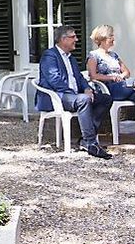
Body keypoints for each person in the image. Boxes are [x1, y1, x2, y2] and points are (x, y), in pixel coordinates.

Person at [37, 25, 114, 159]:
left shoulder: (71, 58)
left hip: (74, 96)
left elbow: (79, 77)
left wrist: (87, 89)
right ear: (63, 39)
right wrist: (77, 94)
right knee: (83, 100)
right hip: (57, 96)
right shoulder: (50, 55)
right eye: (73, 37)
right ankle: (91, 143)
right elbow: (54, 80)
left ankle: (85, 140)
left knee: (106, 99)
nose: (76, 40)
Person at [87, 24, 135, 146]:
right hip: (108, 89)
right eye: (111, 36)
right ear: (103, 38)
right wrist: (111, 77)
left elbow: (127, 71)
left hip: (122, 86)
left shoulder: (114, 55)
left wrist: (120, 76)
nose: (113, 38)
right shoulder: (93, 56)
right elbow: (93, 76)